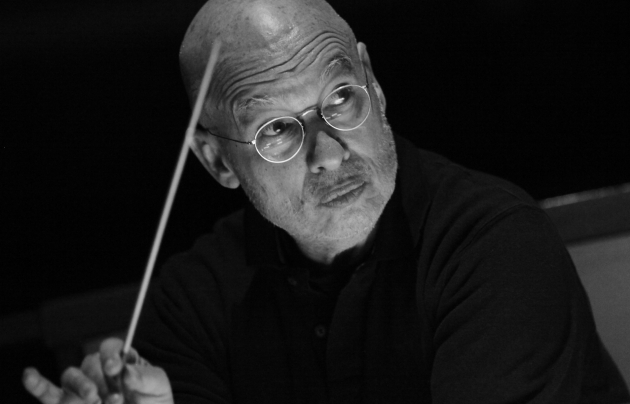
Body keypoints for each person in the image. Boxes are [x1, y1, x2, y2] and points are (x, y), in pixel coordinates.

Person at [23, 0, 630, 402]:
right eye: (276, 130)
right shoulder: (194, 303)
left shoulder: (495, 244)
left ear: (375, 84)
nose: (328, 153)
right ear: (216, 161)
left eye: (340, 98)